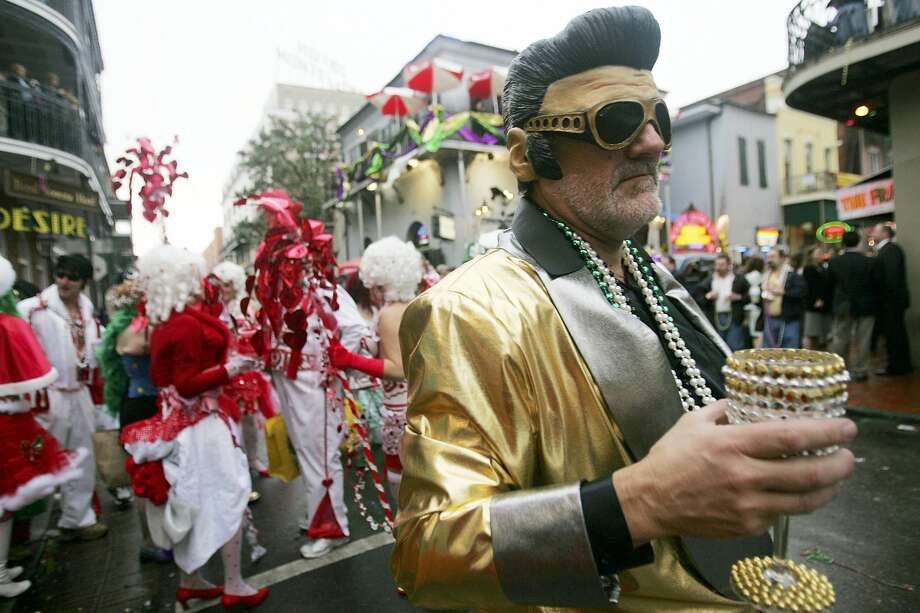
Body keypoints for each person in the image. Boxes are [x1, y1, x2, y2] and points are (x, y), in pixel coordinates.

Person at [390, 7, 857, 611]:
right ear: (529, 155)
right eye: (614, 123)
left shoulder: (652, 273)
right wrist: (639, 503)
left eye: (657, 116)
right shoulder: (467, 311)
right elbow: (425, 554)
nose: (654, 142)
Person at [120, 245, 268, 610]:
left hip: (191, 424)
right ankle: (233, 583)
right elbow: (186, 383)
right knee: (229, 496)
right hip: (202, 426)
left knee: (196, 499)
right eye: (194, 275)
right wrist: (234, 368)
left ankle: (192, 581)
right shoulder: (183, 323)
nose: (203, 281)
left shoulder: (171, 320)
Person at [0, 256, 84, 598]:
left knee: (6, 503)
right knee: (4, 501)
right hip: (7, 420)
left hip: (14, 414)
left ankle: (1, 568)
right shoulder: (16, 320)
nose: (65, 281)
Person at [18, 254, 107, 541]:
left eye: (72, 276)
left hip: (79, 393)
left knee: (82, 457)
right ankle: (27, 532)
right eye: (60, 275)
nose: (64, 281)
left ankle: (77, 519)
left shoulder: (88, 311)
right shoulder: (32, 309)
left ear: (84, 282)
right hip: (46, 395)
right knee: (38, 461)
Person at [330, 237, 423, 498]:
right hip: (409, 406)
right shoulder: (408, 305)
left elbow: (398, 368)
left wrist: (350, 359)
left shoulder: (391, 312)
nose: (371, 290)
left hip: (399, 409)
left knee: (401, 487)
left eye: (376, 285)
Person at [96, 278, 172, 564]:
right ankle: (152, 541)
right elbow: (146, 349)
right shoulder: (139, 329)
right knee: (146, 479)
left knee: (156, 477)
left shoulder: (131, 326)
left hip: (143, 405)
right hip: (143, 408)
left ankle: (159, 538)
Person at [210, 261, 273, 479]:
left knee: (249, 417)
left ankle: (252, 458)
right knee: (227, 419)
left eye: (227, 285)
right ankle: (233, 465)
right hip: (222, 371)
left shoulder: (248, 307)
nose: (223, 291)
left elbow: (260, 337)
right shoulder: (212, 309)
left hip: (245, 372)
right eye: (220, 286)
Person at [827, 230, 879, 381]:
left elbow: (830, 285)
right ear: (858, 242)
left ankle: (840, 368)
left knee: (840, 338)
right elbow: (875, 284)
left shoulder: (835, 262)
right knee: (864, 339)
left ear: (843, 243)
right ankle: (861, 369)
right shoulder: (869, 261)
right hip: (866, 305)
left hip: (843, 305)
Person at [343, 273, 384, 445]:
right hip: (358, 380)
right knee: (361, 427)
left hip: (377, 377)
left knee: (379, 426)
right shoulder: (351, 313)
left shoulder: (378, 310)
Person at [874, 224, 913, 375]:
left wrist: (885, 298)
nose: (873, 234)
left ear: (885, 233)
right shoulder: (888, 250)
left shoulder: (890, 250)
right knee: (895, 334)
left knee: (894, 334)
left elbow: (891, 278)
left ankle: (897, 366)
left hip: (891, 302)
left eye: (876, 231)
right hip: (892, 301)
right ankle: (899, 365)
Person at [700, 253, 749, 351]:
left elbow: (749, 297)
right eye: (717, 265)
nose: (718, 268)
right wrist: (708, 296)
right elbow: (698, 298)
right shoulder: (709, 280)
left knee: (734, 345)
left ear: (729, 265)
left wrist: (738, 297)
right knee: (718, 346)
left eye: (722, 265)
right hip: (715, 317)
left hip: (734, 317)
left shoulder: (739, 279)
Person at [761, 247, 807, 348]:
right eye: (768, 257)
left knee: (789, 351)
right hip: (770, 319)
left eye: (773, 257)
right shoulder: (766, 276)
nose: (769, 260)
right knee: (768, 351)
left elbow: (801, 293)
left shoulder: (793, 276)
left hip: (788, 320)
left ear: (782, 258)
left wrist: (784, 292)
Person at [802, 246, 832, 350]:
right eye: (818, 253)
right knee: (811, 332)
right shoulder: (809, 268)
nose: (820, 255)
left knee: (820, 332)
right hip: (813, 304)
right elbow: (811, 286)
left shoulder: (822, 267)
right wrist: (817, 299)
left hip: (823, 305)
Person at [742, 255, 765, 348]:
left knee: (751, 333)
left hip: (747, 309)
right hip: (758, 309)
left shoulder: (746, 277)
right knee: (756, 332)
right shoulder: (762, 277)